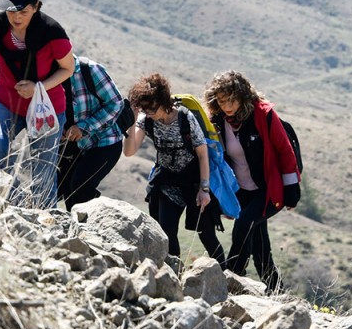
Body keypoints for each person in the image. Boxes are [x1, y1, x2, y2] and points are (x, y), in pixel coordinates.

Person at [0, 0, 75, 209]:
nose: (16, 17)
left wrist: (37, 88)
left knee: (43, 171)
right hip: (6, 102)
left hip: (47, 107)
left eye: (23, 12)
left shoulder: (52, 33)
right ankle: (17, 199)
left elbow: (68, 68)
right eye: (11, 11)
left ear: (36, 6)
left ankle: (46, 225)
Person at [203, 70, 301, 294]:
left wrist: (292, 189)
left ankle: (231, 280)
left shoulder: (263, 114)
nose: (226, 106)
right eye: (221, 101)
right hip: (242, 190)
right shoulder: (217, 120)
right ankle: (277, 292)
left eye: (231, 100)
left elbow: (285, 151)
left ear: (242, 95)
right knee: (260, 246)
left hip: (268, 189)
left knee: (244, 224)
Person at [123, 73, 226, 267]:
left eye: (152, 107)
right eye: (145, 108)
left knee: (207, 235)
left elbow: (203, 154)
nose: (150, 112)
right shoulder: (147, 120)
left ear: (163, 101)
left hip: (194, 181)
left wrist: (204, 189)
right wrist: (132, 121)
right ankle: (174, 275)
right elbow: (129, 151)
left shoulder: (185, 118)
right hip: (167, 182)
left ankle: (230, 277)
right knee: (166, 234)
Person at [58, 56, 128, 210]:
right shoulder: (49, 75)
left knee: (79, 188)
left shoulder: (89, 69)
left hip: (104, 142)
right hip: (73, 146)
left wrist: (84, 127)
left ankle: (94, 225)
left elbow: (116, 103)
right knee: (62, 191)